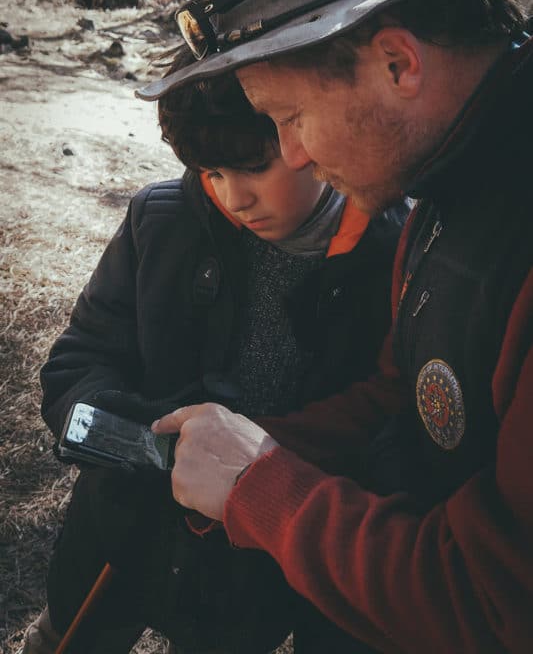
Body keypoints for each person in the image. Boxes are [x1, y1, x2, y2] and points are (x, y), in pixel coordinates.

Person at [134, 0, 533, 653]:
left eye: (288, 115)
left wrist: (262, 487)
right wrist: (256, 450)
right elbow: (405, 387)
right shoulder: (444, 177)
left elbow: (501, 610)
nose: (292, 154)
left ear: (396, 63)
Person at [23, 49, 405, 653]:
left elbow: (383, 428)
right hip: (116, 536)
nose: (233, 197)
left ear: (305, 130)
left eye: (253, 166)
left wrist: (259, 468)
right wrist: (151, 446)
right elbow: (77, 363)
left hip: (253, 577)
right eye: (212, 172)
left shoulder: (392, 257)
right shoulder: (160, 221)